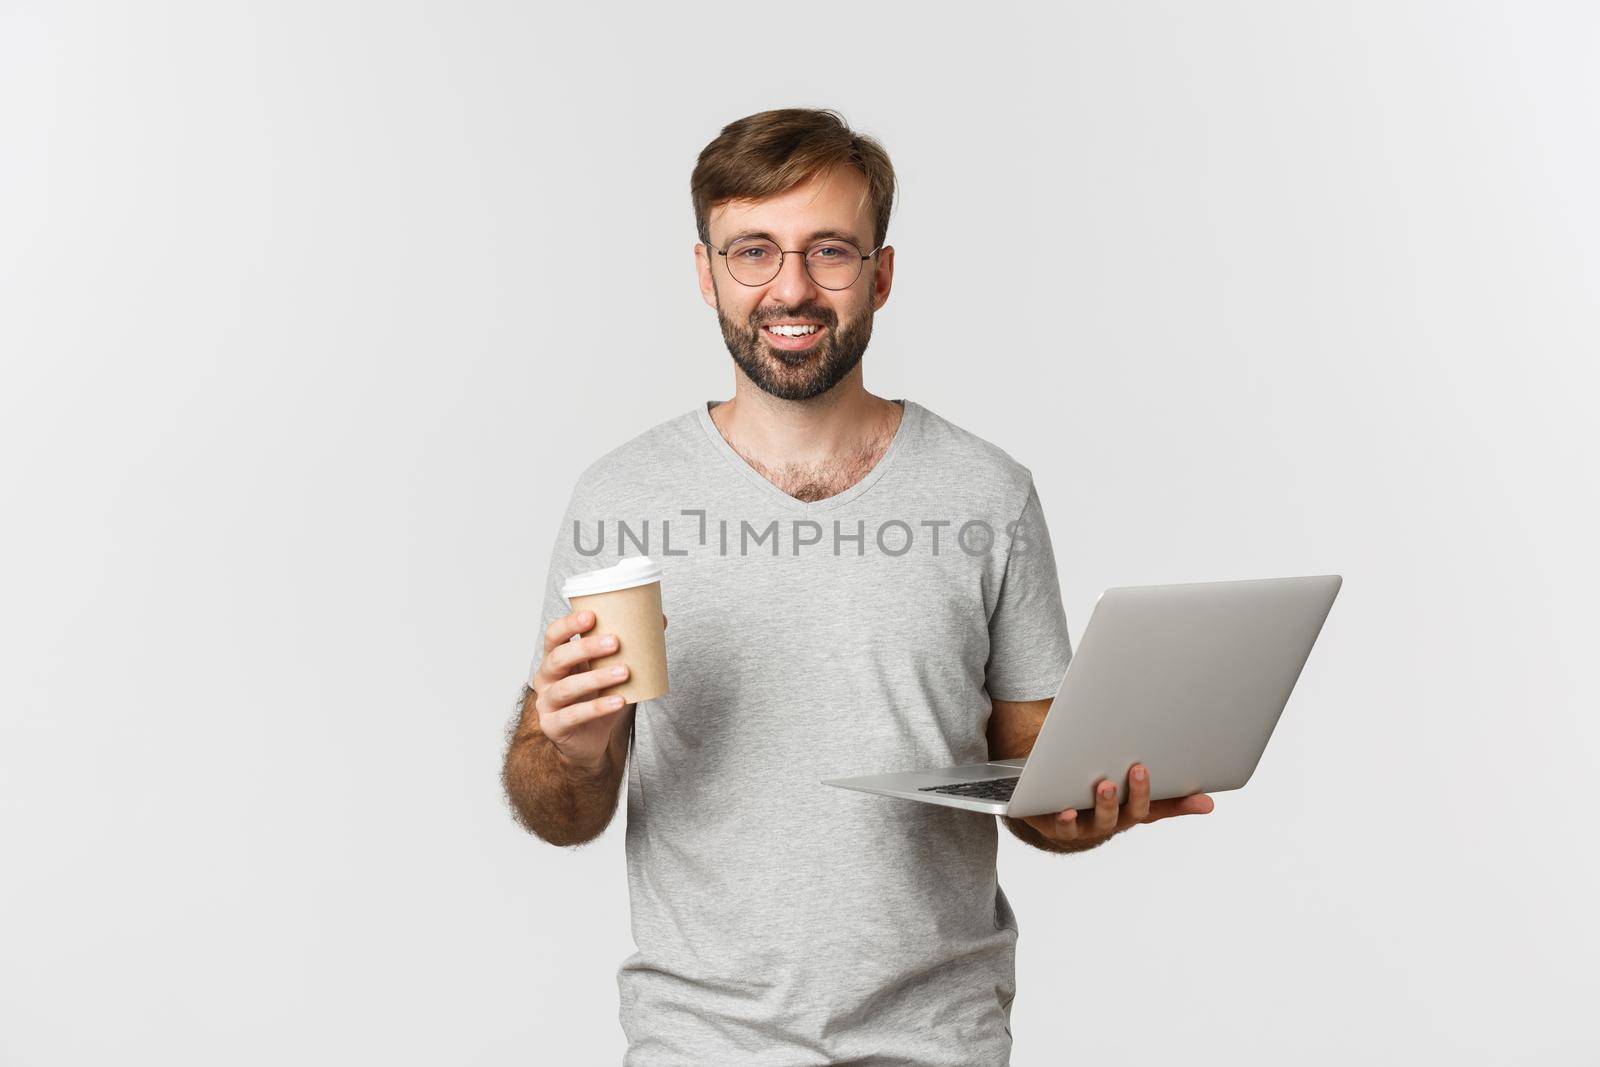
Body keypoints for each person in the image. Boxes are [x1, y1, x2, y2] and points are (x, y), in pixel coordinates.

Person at [502, 107, 1214, 1066]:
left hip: (939, 1041)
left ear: (880, 272)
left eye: (828, 250)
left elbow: (1034, 780)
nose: (790, 287)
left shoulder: (988, 493)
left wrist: (1087, 802)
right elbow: (559, 806)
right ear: (705, 273)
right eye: (752, 251)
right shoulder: (623, 498)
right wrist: (574, 751)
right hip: (699, 1043)